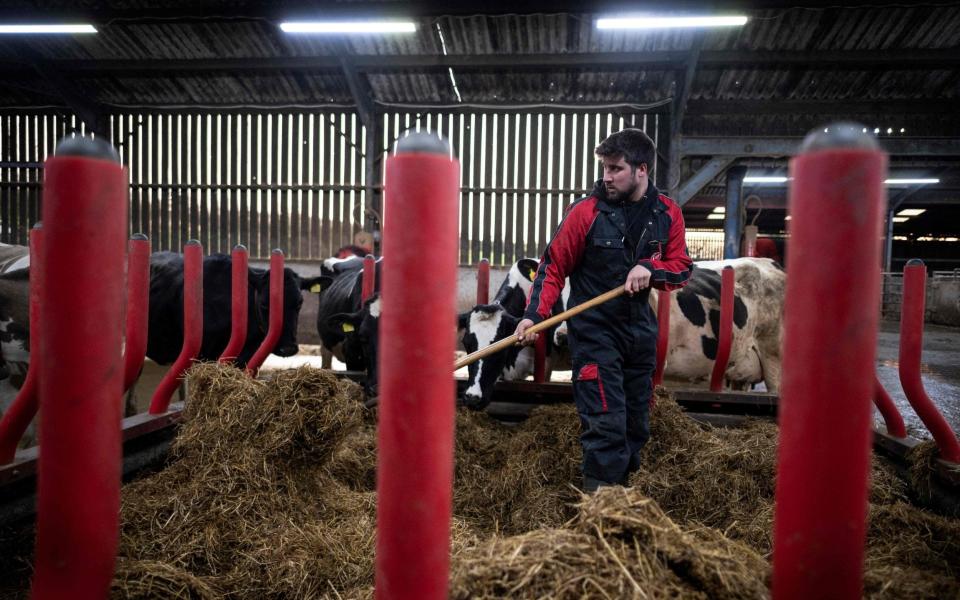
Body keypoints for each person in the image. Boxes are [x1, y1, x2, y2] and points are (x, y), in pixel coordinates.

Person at [514, 128, 692, 492]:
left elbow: (682, 268)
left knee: (635, 426)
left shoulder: (666, 214)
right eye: (605, 168)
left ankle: (623, 499)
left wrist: (651, 269)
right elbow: (552, 267)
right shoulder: (586, 213)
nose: (605, 177)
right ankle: (599, 508)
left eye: (615, 169)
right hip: (594, 332)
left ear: (642, 170)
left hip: (639, 334)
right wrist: (535, 315)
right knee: (606, 423)